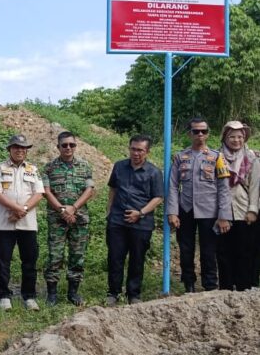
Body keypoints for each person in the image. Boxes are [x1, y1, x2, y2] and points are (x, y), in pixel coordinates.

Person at [167, 117, 232, 293]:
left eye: (204, 131)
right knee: (186, 249)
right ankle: (189, 284)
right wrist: (172, 212)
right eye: (196, 131)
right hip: (186, 209)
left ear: (208, 134)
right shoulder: (181, 157)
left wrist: (224, 215)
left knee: (209, 251)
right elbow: (172, 186)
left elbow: (223, 188)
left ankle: (210, 286)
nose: (200, 134)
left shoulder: (217, 157)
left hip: (209, 210)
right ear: (190, 133)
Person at [105, 135, 164, 306]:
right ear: (129, 148)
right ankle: (113, 293)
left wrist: (140, 212)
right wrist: (109, 212)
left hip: (141, 223)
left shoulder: (153, 172)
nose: (136, 153)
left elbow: (158, 197)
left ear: (147, 152)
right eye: (133, 149)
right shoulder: (119, 166)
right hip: (117, 221)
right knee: (115, 258)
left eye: (140, 150)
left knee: (137, 259)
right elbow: (113, 189)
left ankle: (133, 294)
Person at [0, 134, 44, 311]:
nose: (20, 150)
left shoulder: (33, 170)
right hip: (5, 224)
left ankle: (29, 297)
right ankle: (4, 296)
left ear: (27, 150)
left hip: (28, 224)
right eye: (16, 147)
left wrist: (23, 210)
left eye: (23, 148)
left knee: (29, 261)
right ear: (9, 149)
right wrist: (16, 209)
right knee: (3, 260)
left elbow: (39, 193)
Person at [42, 131, 95, 306]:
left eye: (71, 145)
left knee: (77, 256)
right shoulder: (49, 168)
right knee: (54, 256)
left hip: (79, 218)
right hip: (57, 218)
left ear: (75, 146)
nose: (68, 148)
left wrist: (73, 208)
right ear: (58, 147)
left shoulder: (85, 166)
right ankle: (52, 294)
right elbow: (46, 192)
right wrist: (62, 210)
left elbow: (89, 190)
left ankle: (73, 293)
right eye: (64, 145)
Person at [216, 121, 259, 291]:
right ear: (224, 138)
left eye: (240, 137)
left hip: (244, 210)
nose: (236, 140)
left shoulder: (252, 158)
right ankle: (226, 288)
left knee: (245, 250)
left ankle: (244, 287)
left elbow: (255, 186)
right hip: (222, 212)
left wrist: (253, 210)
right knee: (224, 251)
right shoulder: (216, 156)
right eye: (232, 136)